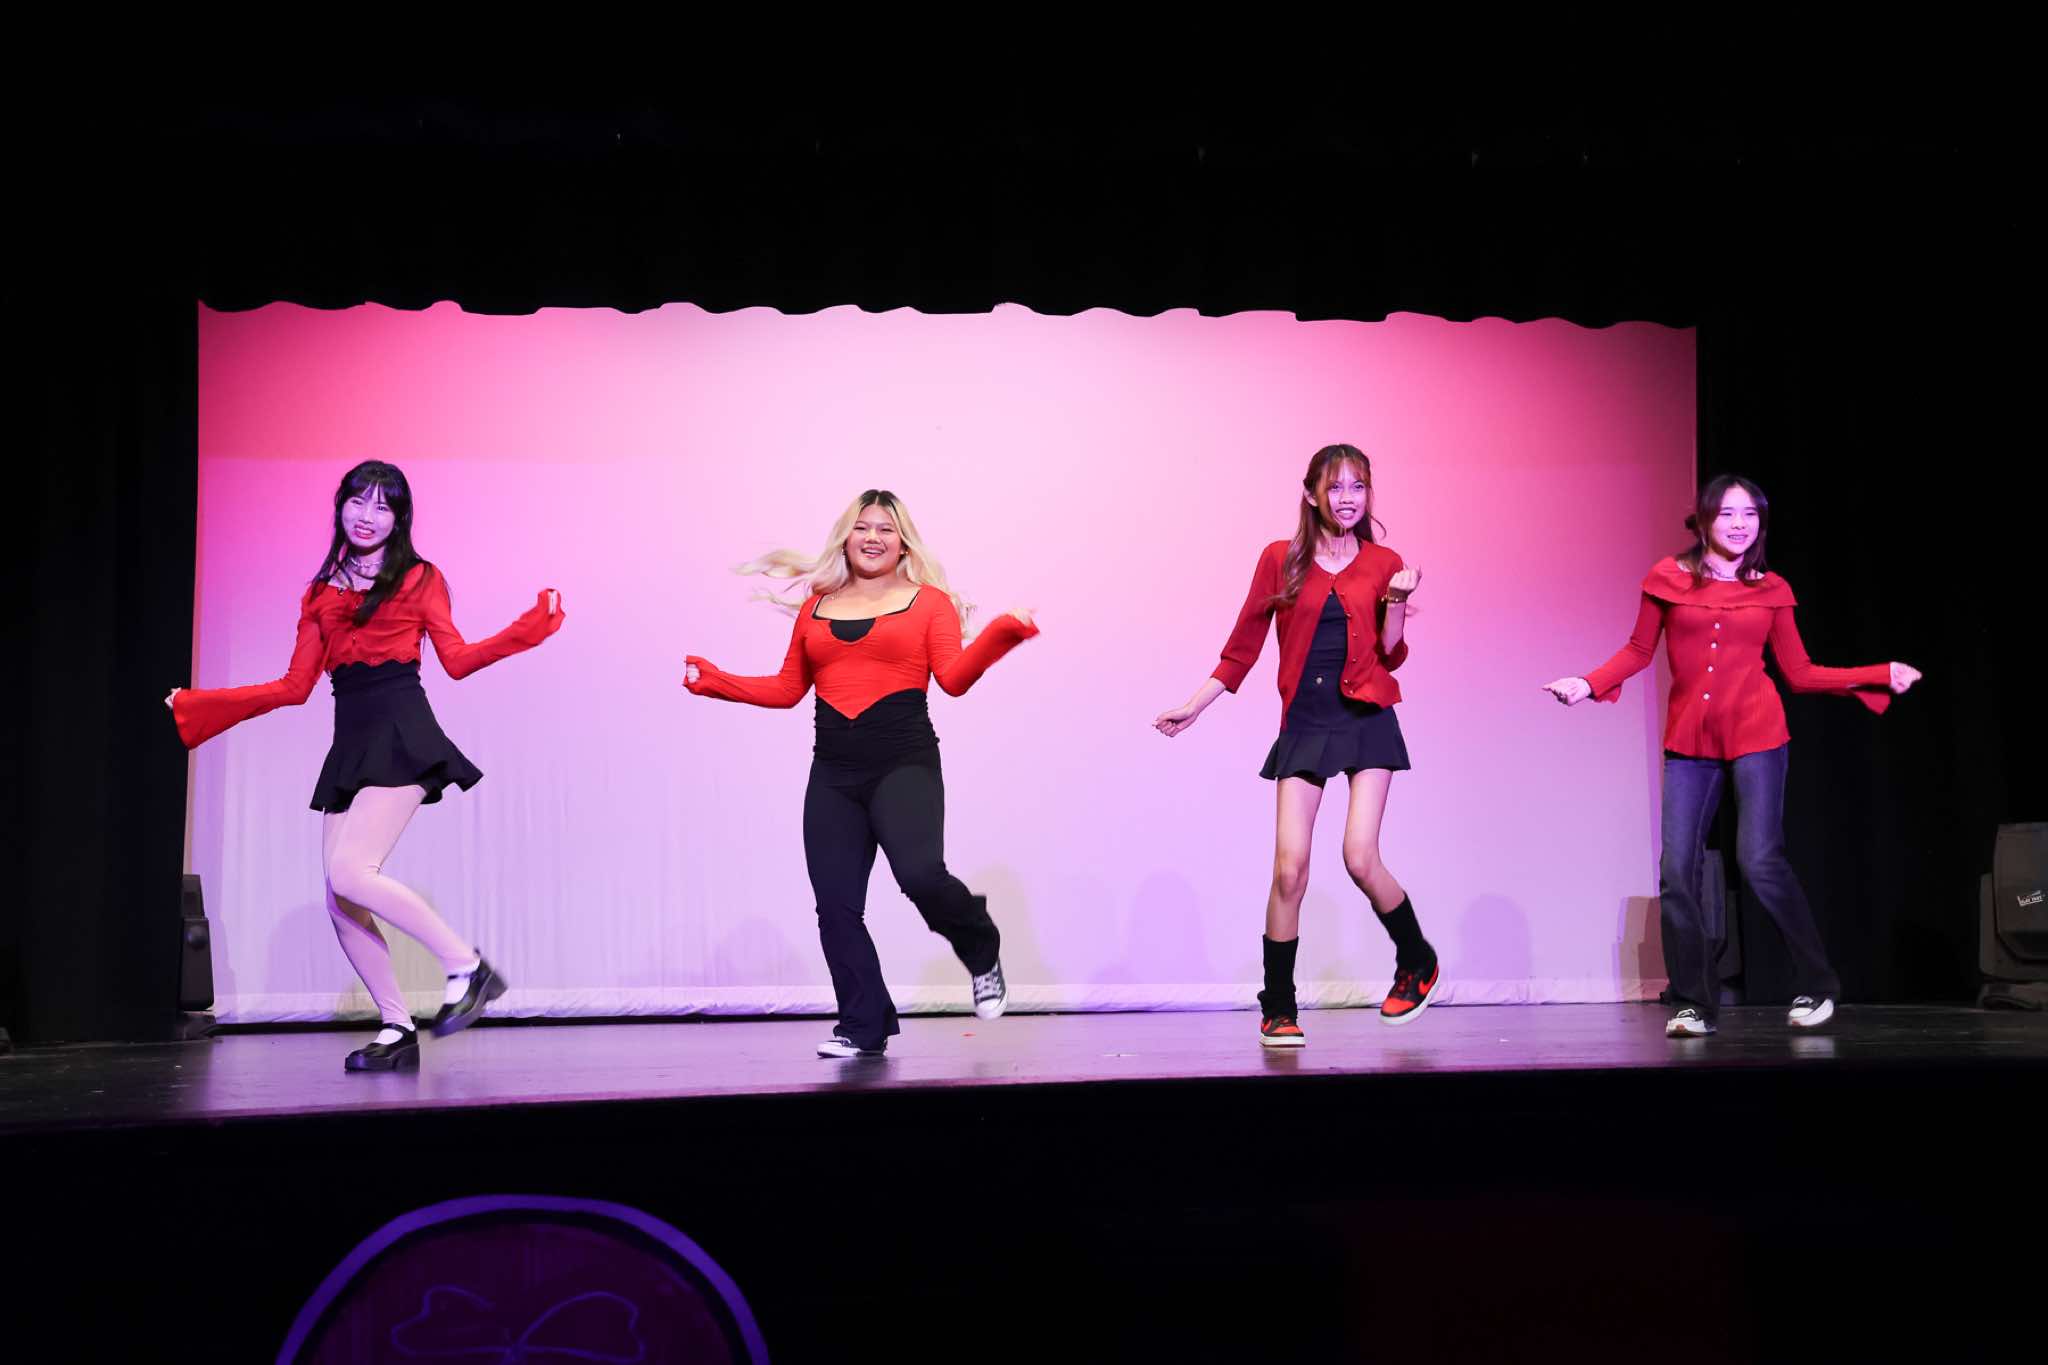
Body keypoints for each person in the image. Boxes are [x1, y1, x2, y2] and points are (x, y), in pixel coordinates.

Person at [168, 461, 564, 1071]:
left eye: (383, 506)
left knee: (352, 873)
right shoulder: (320, 592)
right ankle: (396, 1027)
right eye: (358, 501)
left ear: (399, 518)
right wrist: (204, 706)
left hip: (402, 731)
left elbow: (456, 660)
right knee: (339, 896)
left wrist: (527, 630)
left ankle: (466, 966)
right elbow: (294, 686)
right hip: (350, 742)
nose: (367, 515)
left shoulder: (419, 577)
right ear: (341, 506)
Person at [1542, 474, 1920, 1037]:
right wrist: (1587, 683)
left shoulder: (1772, 589)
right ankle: (1693, 1003)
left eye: (1750, 515)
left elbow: (1800, 672)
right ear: (1702, 520)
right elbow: (1639, 650)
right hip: (1689, 742)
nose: (1739, 524)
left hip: (1758, 736)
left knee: (1759, 860)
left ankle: (1818, 985)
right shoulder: (1668, 578)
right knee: (1677, 871)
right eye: (1726, 513)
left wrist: (1877, 675)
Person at [683, 490, 1037, 1058]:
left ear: (904, 544)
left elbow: (952, 679)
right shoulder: (816, 607)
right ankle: (863, 1026)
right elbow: (788, 689)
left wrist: (1002, 634)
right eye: (862, 527)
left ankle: (980, 947)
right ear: (846, 538)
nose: (873, 538)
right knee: (836, 906)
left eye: (886, 530)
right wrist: (716, 682)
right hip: (833, 773)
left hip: (903, 762)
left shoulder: (929, 603)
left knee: (920, 876)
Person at [1154, 444, 1436, 1048]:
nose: (1348, 498)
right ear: (1311, 494)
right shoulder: (1280, 559)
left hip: (1367, 717)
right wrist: (1195, 705)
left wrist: (1397, 600)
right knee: (1289, 869)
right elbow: (1243, 644)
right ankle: (1277, 1006)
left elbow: (1392, 653)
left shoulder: (1385, 561)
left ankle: (1416, 959)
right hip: (1306, 721)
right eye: (1335, 487)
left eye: (1358, 486)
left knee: (1359, 856)